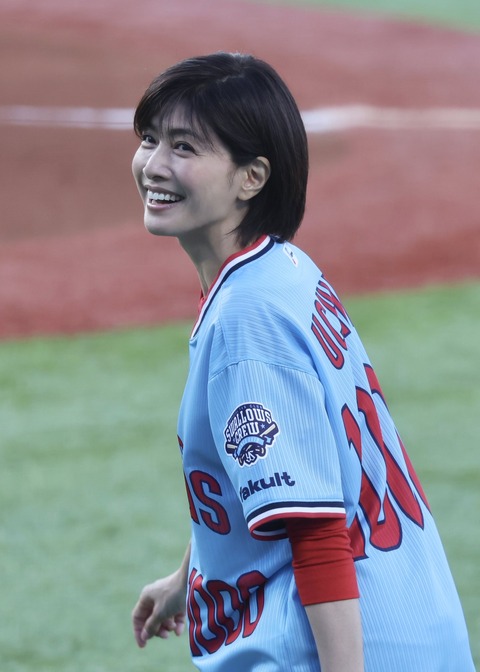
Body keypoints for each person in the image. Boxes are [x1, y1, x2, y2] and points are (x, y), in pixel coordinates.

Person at [130, 52, 474, 671]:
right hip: (412, 618)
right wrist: (188, 577)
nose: (153, 164)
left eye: (183, 147)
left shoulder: (248, 318)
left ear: (251, 177)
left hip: (337, 649)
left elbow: (315, 532)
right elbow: (279, 467)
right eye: (150, 138)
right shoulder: (284, 268)